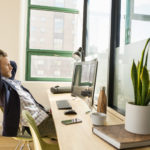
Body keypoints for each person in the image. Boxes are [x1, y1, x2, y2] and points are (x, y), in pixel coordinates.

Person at [0, 49, 56, 137]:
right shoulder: (3, 86)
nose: (11, 67)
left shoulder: (10, 81)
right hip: (39, 125)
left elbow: (13, 64)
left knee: (66, 116)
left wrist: (6, 62)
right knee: (72, 127)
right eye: (7, 65)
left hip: (43, 116)